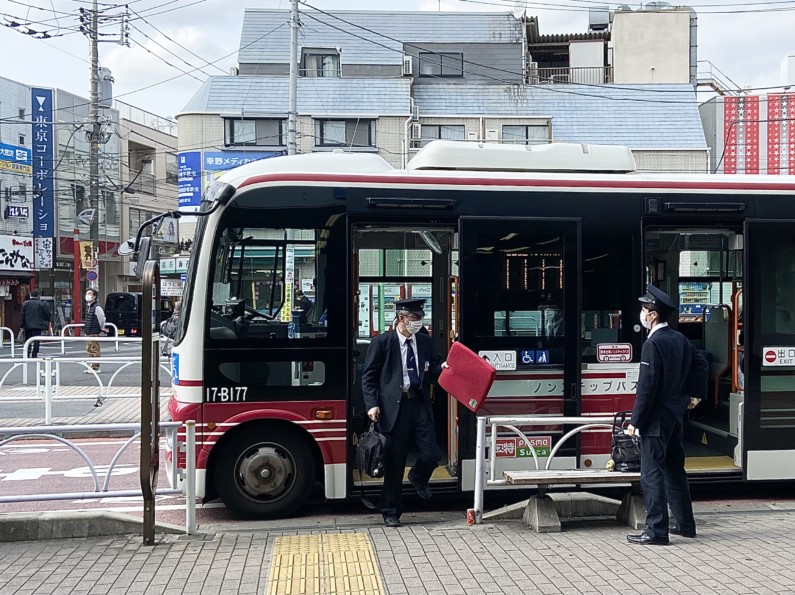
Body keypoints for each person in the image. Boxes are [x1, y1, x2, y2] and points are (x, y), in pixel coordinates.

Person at [626, 283, 708, 546]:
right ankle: (685, 525)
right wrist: (695, 394)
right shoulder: (680, 339)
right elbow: (701, 362)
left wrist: (635, 421)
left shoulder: (653, 344)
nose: (641, 313)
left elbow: (647, 387)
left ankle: (656, 531)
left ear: (653, 315)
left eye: (643, 309)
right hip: (676, 416)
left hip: (656, 418)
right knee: (675, 469)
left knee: (651, 473)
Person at [362, 298, 444, 528]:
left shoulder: (425, 342)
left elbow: (433, 369)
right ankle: (391, 511)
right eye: (414, 320)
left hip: (418, 403)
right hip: (393, 409)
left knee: (432, 452)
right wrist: (372, 404)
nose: (418, 324)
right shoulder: (382, 343)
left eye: (420, 319)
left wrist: (443, 369)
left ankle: (418, 476)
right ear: (401, 319)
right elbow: (369, 377)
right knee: (394, 463)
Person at [20, 289, 51, 358]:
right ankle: (35, 353)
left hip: (27, 325)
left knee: (27, 339)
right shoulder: (42, 304)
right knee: (36, 340)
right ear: (38, 296)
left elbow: (22, 315)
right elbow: (47, 314)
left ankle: (27, 352)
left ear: (30, 295)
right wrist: (48, 321)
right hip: (38, 325)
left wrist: (22, 325)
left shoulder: (25, 304)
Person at [83, 288, 106, 372]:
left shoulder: (97, 307)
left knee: (94, 349)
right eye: (87, 294)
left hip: (93, 331)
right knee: (89, 349)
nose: (87, 296)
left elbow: (102, 318)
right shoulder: (89, 307)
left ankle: (96, 367)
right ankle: (92, 366)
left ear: (94, 296)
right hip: (88, 331)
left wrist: (101, 327)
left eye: (89, 294)